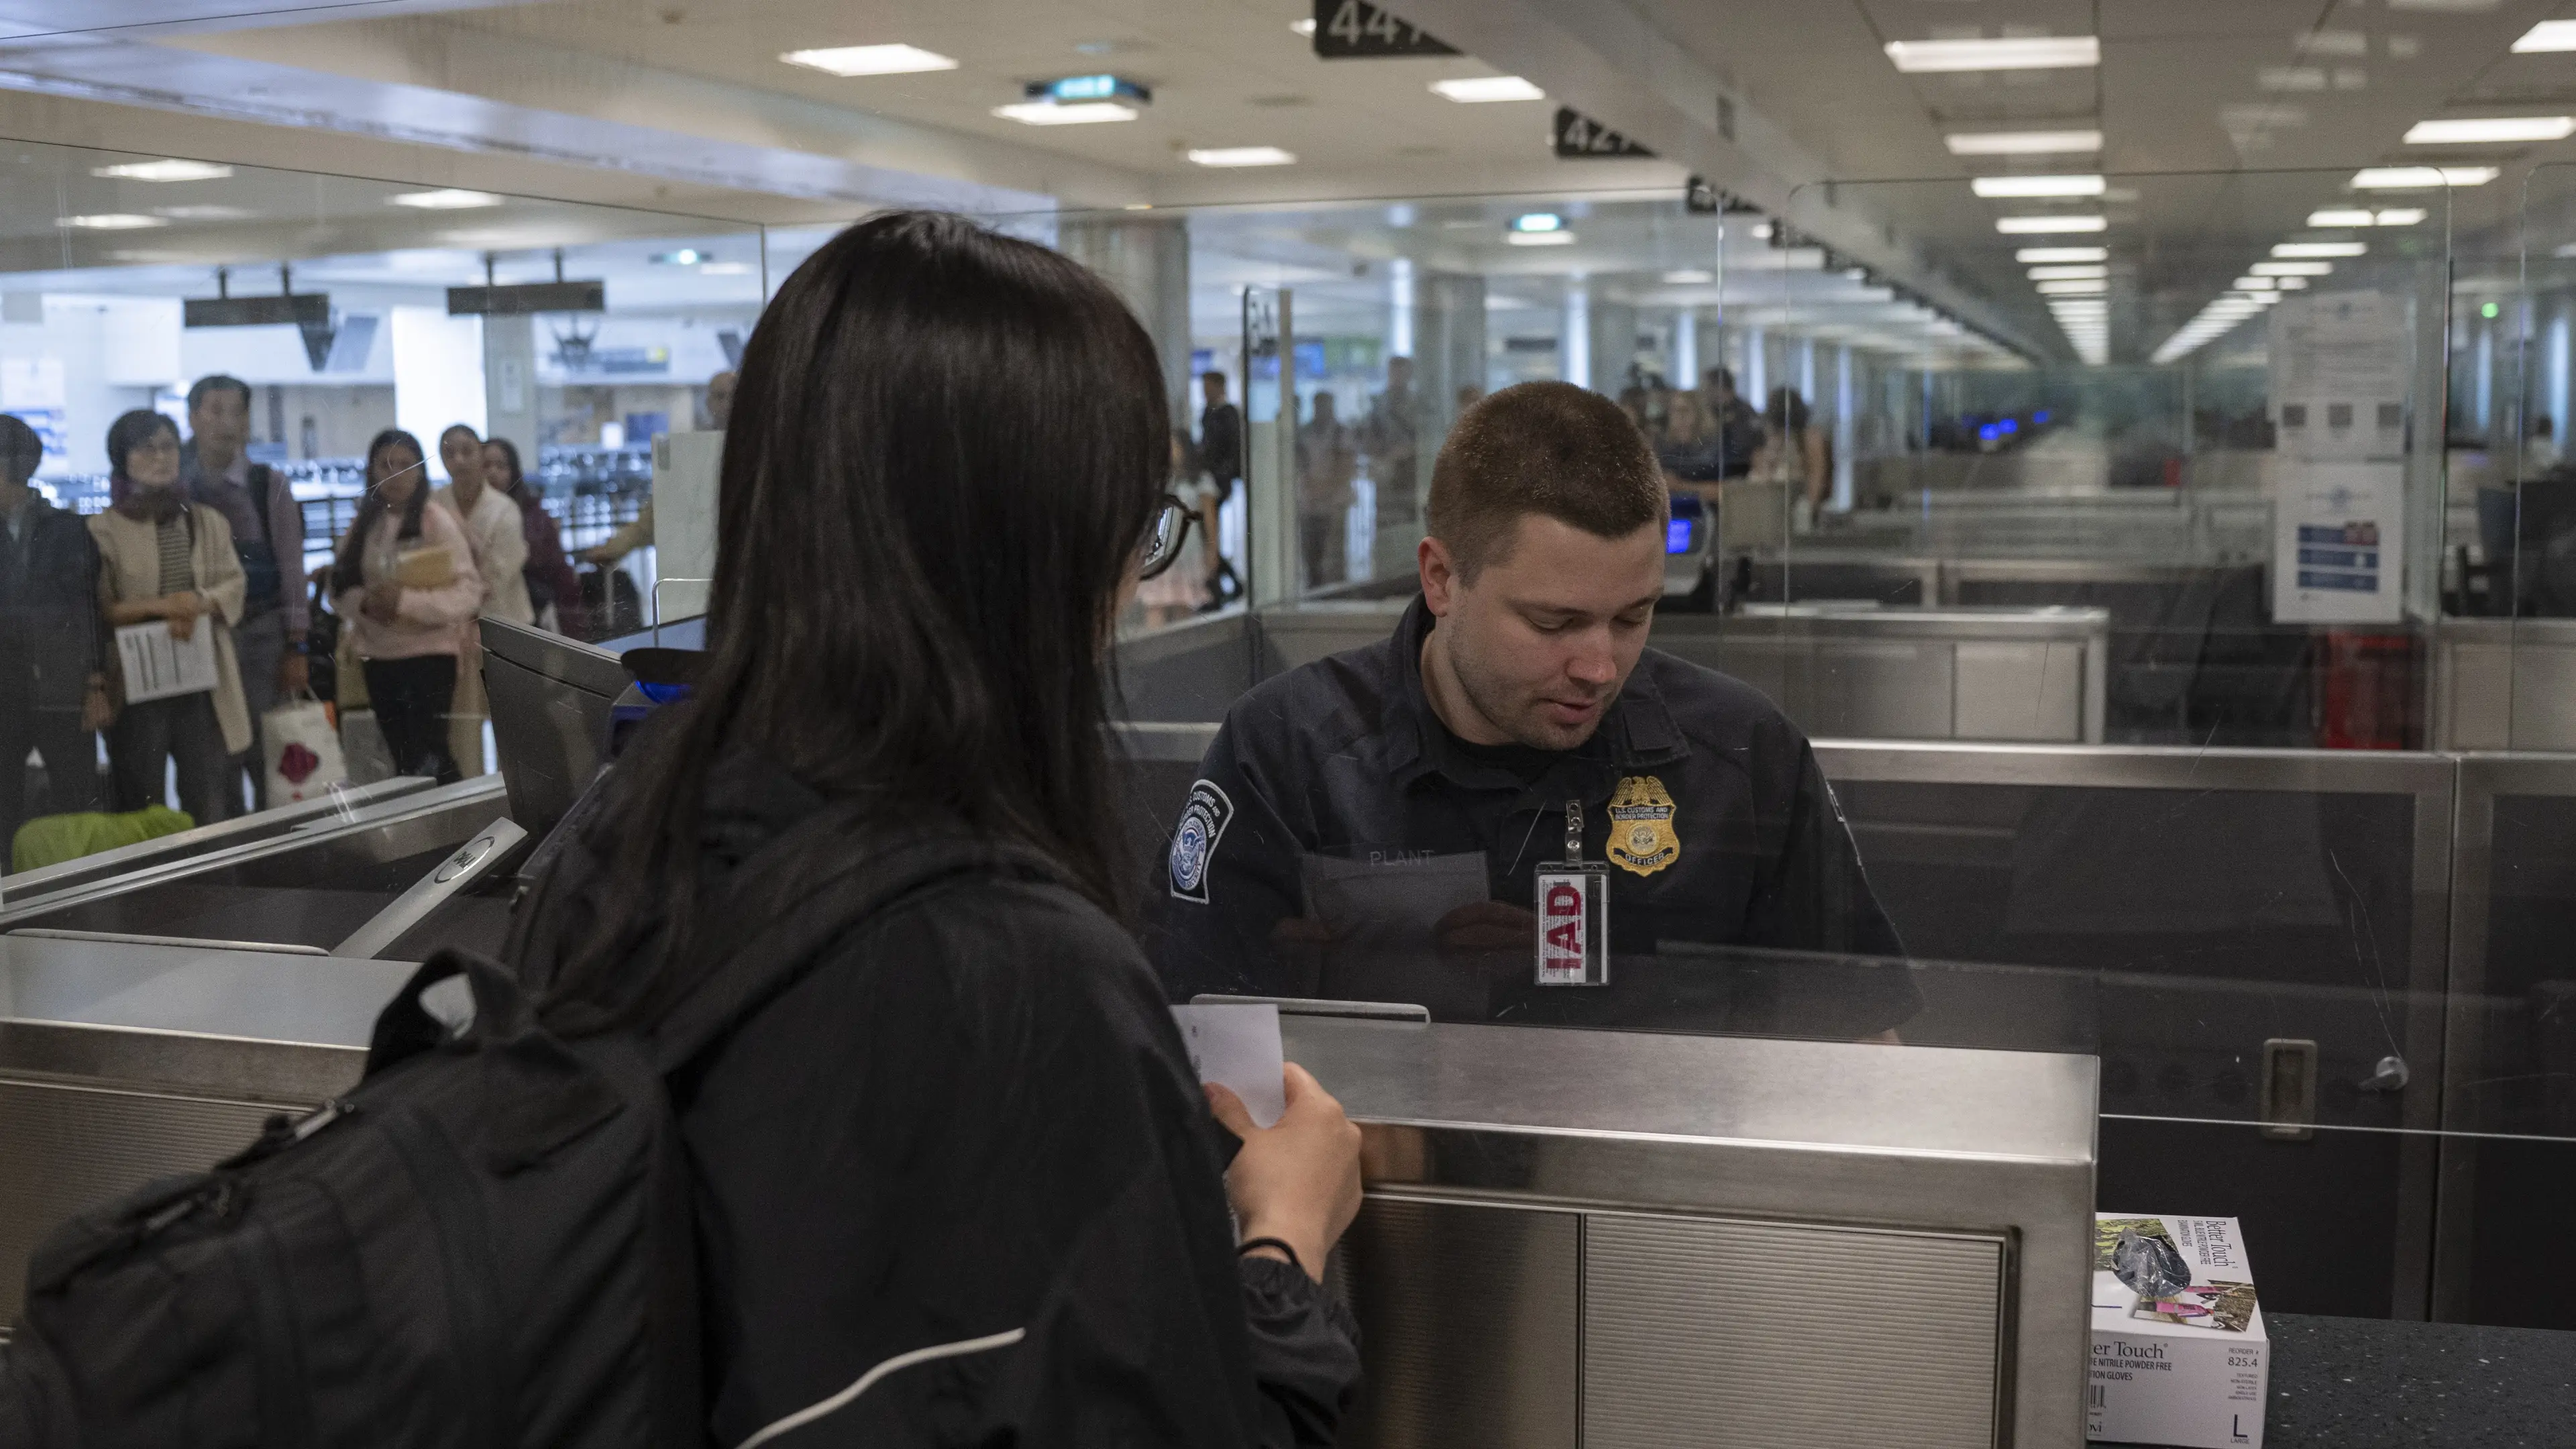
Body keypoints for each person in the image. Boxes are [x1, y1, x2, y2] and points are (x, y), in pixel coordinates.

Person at [514, 211, 1362, 1444]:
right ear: (1043, 555)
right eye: (1134, 526)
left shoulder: (610, 852)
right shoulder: (1024, 977)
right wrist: (1285, 1239)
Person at [1149, 381, 1915, 1037]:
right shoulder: (1287, 752)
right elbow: (1204, 1055)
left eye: (1634, 615)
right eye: (1554, 623)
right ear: (1441, 579)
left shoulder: (1740, 754)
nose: (1600, 668)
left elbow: (1860, 1042)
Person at [87, 410, 250, 826]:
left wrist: (198, 602)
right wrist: (164, 608)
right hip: (135, 683)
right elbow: (101, 609)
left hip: (201, 679)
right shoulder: (103, 529)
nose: (161, 458)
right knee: (143, 804)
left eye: (168, 447)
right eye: (146, 449)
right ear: (121, 458)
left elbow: (234, 584)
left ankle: (214, 870)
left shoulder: (206, 520)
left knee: (208, 799)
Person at [183, 374, 309, 812]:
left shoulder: (267, 484)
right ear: (193, 417)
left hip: (261, 636)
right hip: (200, 637)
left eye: (237, 412)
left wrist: (297, 646)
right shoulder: (178, 489)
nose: (227, 423)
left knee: (268, 754)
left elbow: (291, 568)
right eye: (215, 411)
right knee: (213, 759)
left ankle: (278, 844)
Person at [334, 428, 483, 785]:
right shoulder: (364, 524)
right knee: (401, 759)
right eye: (386, 466)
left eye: (405, 465)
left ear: (420, 471)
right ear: (371, 471)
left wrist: (404, 602)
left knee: (431, 756)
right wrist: (366, 604)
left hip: (430, 655)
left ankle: (457, 818)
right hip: (378, 656)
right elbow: (338, 589)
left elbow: (468, 593)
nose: (396, 475)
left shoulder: (436, 520)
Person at [0, 416, 107, 852]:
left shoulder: (67, 529)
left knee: (76, 804)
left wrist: (96, 683)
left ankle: (81, 889)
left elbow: (90, 612)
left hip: (63, 688)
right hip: (4, 692)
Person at [578, 369, 737, 568]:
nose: (728, 404)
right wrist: (617, 546)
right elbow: (661, 508)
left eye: (734, 395)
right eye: (720, 397)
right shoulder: (692, 452)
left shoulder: (759, 449)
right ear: (708, 402)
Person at [485, 436, 585, 636]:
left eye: (501, 466)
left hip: (533, 611)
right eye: (486, 466)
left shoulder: (534, 513)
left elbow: (553, 566)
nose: (492, 472)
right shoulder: (466, 514)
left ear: (514, 471)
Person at [1295, 391, 1356, 590]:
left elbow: (1346, 465)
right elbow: (1299, 465)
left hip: (1334, 503)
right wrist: (1311, 487)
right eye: (1318, 405)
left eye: (1325, 405)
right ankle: (1314, 586)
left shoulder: (1341, 433)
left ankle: (1336, 588)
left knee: (1333, 551)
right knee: (1311, 549)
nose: (1321, 410)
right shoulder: (1305, 433)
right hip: (1310, 502)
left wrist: (1326, 487)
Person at [1360, 355, 1421, 537]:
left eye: (1402, 372)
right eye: (1394, 372)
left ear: (1409, 374)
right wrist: (1382, 455)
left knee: (1409, 523)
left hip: (1410, 471)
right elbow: (1368, 438)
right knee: (1385, 523)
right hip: (1385, 472)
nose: (1398, 376)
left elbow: (1427, 437)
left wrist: (1409, 449)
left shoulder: (1418, 404)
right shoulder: (1378, 404)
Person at [1199, 370, 1245, 604]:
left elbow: (1233, 449)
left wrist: (1223, 475)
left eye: (1208, 386)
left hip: (1219, 481)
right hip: (1209, 478)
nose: (1205, 392)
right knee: (1206, 534)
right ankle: (1221, 583)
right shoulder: (1208, 413)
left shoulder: (1228, 414)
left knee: (1209, 532)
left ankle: (1223, 584)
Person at [1752, 385, 1830, 523]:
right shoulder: (1771, 438)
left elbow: (1817, 474)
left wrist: (1811, 507)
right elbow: (1761, 470)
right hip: (1772, 500)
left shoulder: (1809, 438)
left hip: (1799, 500)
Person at [1656, 389, 1724, 499]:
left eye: (1684, 410)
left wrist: (1680, 486)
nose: (1679, 417)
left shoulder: (1714, 448)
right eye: (1674, 411)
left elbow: (1723, 490)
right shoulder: (1667, 448)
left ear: (1699, 414)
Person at [1704, 366, 1762, 480]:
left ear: (1718, 388)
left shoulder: (1744, 413)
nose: (1705, 393)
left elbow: (1747, 447)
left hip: (1739, 472)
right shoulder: (1712, 412)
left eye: (1708, 388)